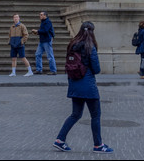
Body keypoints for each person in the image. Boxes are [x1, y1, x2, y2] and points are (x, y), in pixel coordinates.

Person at [52, 21, 113, 153]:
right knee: (95, 115)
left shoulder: (72, 44)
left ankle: (59, 140)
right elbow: (96, 69)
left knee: (75, 114)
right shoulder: (90, 46)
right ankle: (98, 145)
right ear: (92, 32)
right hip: (88, 86)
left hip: (74, 83)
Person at [35, 11, 57, 75]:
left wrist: (38, 31)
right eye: (40, 15)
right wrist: (38, 32)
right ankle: (39, 70)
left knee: (50, 56)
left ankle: (53, 70)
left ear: (45, 15)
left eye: (41, 15)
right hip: (42, 41)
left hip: (47, 40)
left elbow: (45, 30)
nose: (40, 16)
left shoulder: (48, 21)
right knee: (37, 54)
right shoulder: (43, 22)